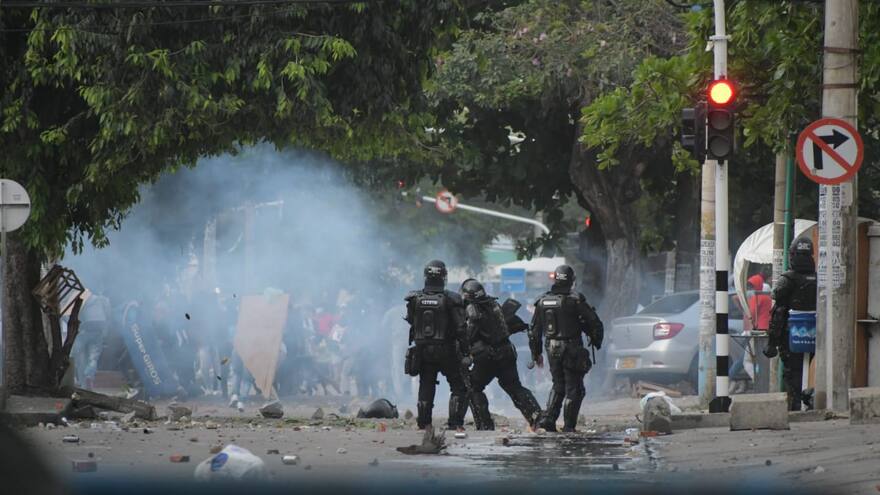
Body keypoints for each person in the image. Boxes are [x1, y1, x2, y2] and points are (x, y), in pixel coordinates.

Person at [528, 265, 604, 432]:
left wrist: (536, 353)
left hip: (551, 349)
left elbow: (534, 331)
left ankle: (549, 421)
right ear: (571, 280)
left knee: (558, 385)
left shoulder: (542, 301)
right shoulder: (575, 300)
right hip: (572, 348)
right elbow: (594, 322)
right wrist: (596, 340)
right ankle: (569, 427)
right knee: (574, 388)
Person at [460, 279, 542, 430]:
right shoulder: (493, 304)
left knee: (473, 388)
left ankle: (485, 425)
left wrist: (465, 348)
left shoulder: (472, 309)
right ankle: (537, 417)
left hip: (487, 357)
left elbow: (470, 334)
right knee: (514, 387)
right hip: (506, 353)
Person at [404, 260, 469, 430]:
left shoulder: (414, 298)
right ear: (444, 276)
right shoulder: (452, 298)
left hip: (423, 351)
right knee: (458, 385)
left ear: (425, 276)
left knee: (426, 383)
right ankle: (455, 423)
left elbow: (412, 321)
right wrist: (466, 352)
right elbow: (461, 328)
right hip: (447, 350)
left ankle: (424, 423)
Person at [764, 237, 817, 411]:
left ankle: (796, 406)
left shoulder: (787, 279)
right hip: (816, 335)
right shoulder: (819, 279)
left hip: (792, 335)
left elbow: (778, 314)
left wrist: (772, 343)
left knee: (793, 373)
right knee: (811, 370)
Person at [73, 288, 112, 390]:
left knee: (79, 357)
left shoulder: (82, 300)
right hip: (98, 331)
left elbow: (77, 315)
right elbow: (108, 315)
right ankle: (89, 377)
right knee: (93, 358)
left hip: (84, 331)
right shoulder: (103, 300)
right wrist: (105, 330)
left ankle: (83, 384)